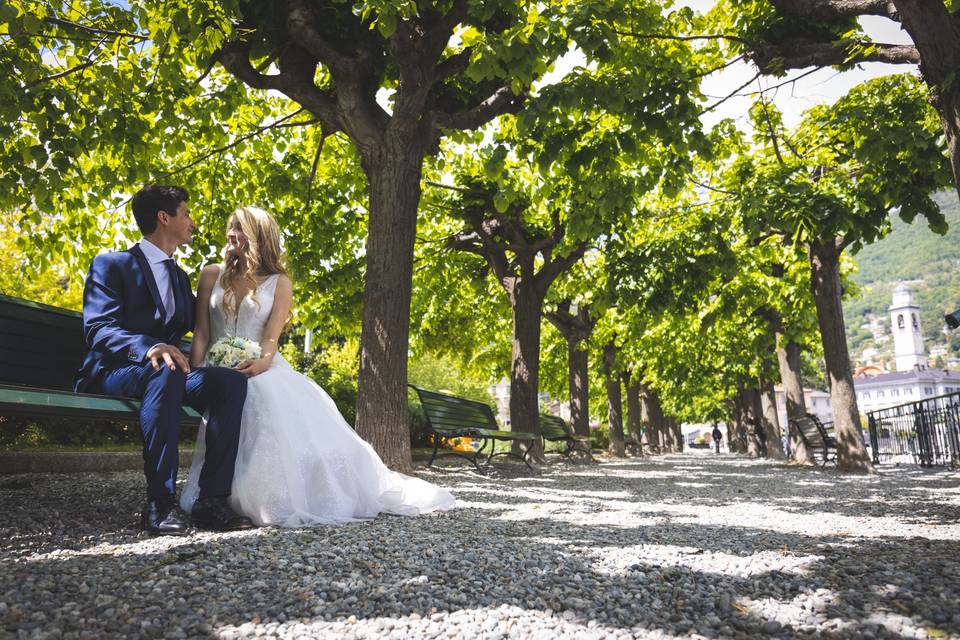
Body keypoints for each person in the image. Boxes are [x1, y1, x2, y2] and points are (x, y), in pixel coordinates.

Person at [180, 206, 456, 526]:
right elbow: (201, 332)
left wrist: (261, 363)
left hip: (260, 365)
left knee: (261, 400)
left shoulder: (278, 282)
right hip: (215, 371)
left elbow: (271, 339)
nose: (232, 234)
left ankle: (260, 496)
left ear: (258, 236)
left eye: (240, 229)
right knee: (233, 398)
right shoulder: (211, 274)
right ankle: (216, 495)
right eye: (231, 227)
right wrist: (196, 373)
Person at [75, 185, 253, 535]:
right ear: (164, 217)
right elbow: (97, 329)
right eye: (186, 213)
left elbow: (204, 321)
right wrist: (148, 348)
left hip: (167, 373)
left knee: (229, 382)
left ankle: (211, 502)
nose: (193, 222)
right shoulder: (112, 265)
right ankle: (159, 505)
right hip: (115, 370)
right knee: (166, 367)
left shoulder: (179, 276)